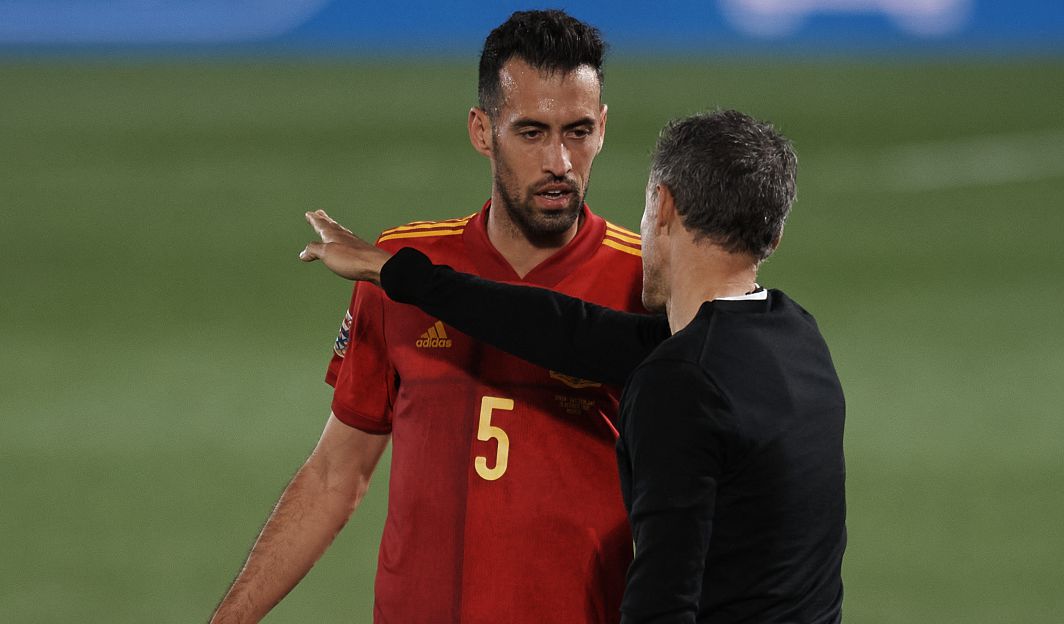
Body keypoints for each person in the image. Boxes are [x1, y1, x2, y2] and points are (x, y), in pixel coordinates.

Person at [300, 110, 848, 623]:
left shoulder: (679, 385)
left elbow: (663, 599)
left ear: (663, 207)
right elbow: (569, 331)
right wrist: (397, 273)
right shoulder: (793, 337)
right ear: (773, 234)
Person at [211, 10, 647, 624]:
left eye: (577, 132)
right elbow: (337, 474)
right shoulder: (398, 269)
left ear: (602, 128)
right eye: (530, 132)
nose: (559, 162)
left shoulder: (646, 283)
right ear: (482, 130)